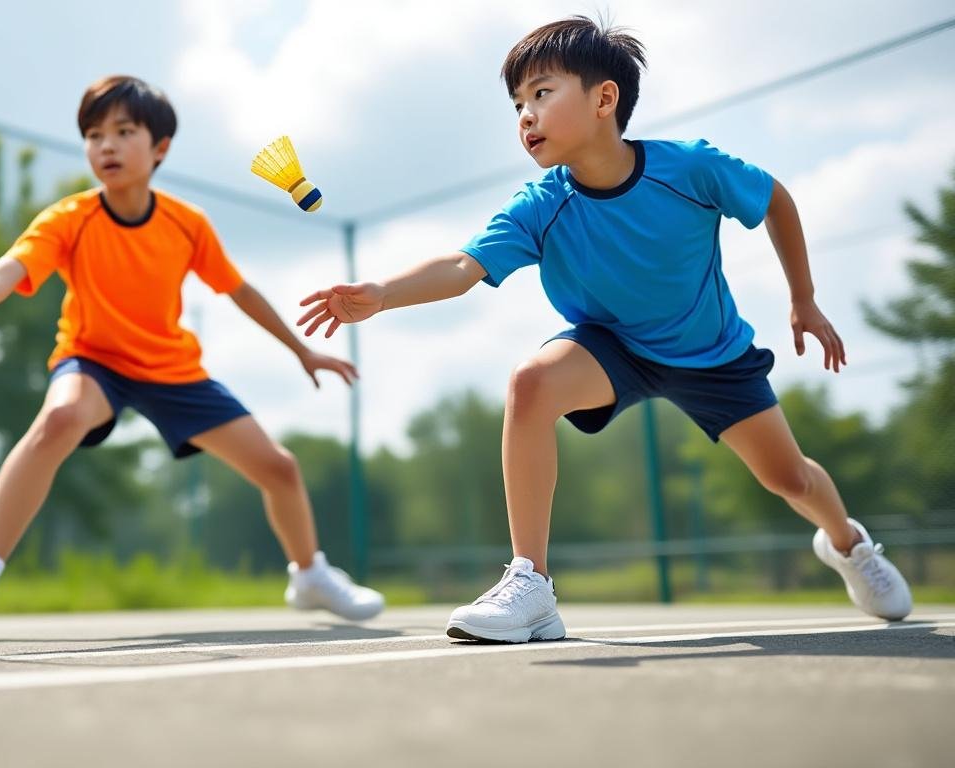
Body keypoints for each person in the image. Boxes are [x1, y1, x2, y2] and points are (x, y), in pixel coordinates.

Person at [297, 17, 911, 642]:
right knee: (532, 383)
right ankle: (531, 584)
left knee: (789, 478)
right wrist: (383, 294)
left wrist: (803, 300)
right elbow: (461, 267)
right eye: (517, 104)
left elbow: (774, 198)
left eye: (541, 93)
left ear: (604, 98)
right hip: (613, 345)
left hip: (712, 353)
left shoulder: (691, 168)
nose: (526, 115)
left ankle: (850, 545)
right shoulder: (541, 203)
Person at [0, 75, 383, 640]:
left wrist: (302, 352)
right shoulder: (68, 219)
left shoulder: (187, 223)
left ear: (160, 147)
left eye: (124, 131)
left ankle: (310, 576)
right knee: (59, 418)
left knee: (280, 469)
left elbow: (239, 290)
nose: (107, 145)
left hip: (171, 370)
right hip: (93, 361)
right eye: (94, 134)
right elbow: (2, 275)